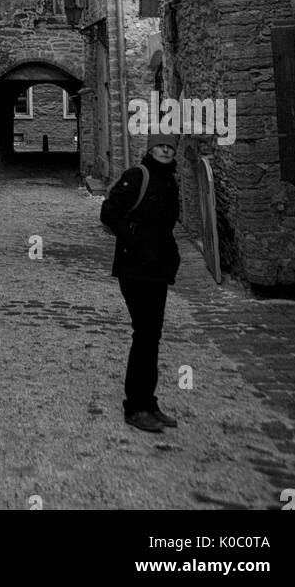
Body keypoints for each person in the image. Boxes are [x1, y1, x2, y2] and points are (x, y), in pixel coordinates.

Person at [100, 135, 181, 434]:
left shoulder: (170, 182)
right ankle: (135, 407)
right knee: (144, 334)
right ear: (150, 149)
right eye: (160, 146)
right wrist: (132, 239)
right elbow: (108, 213)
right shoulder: (137, 176)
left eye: (170, 147)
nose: (165, 150)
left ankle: (149, 402)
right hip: (134, 269)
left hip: (158, 270)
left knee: (152, 335)